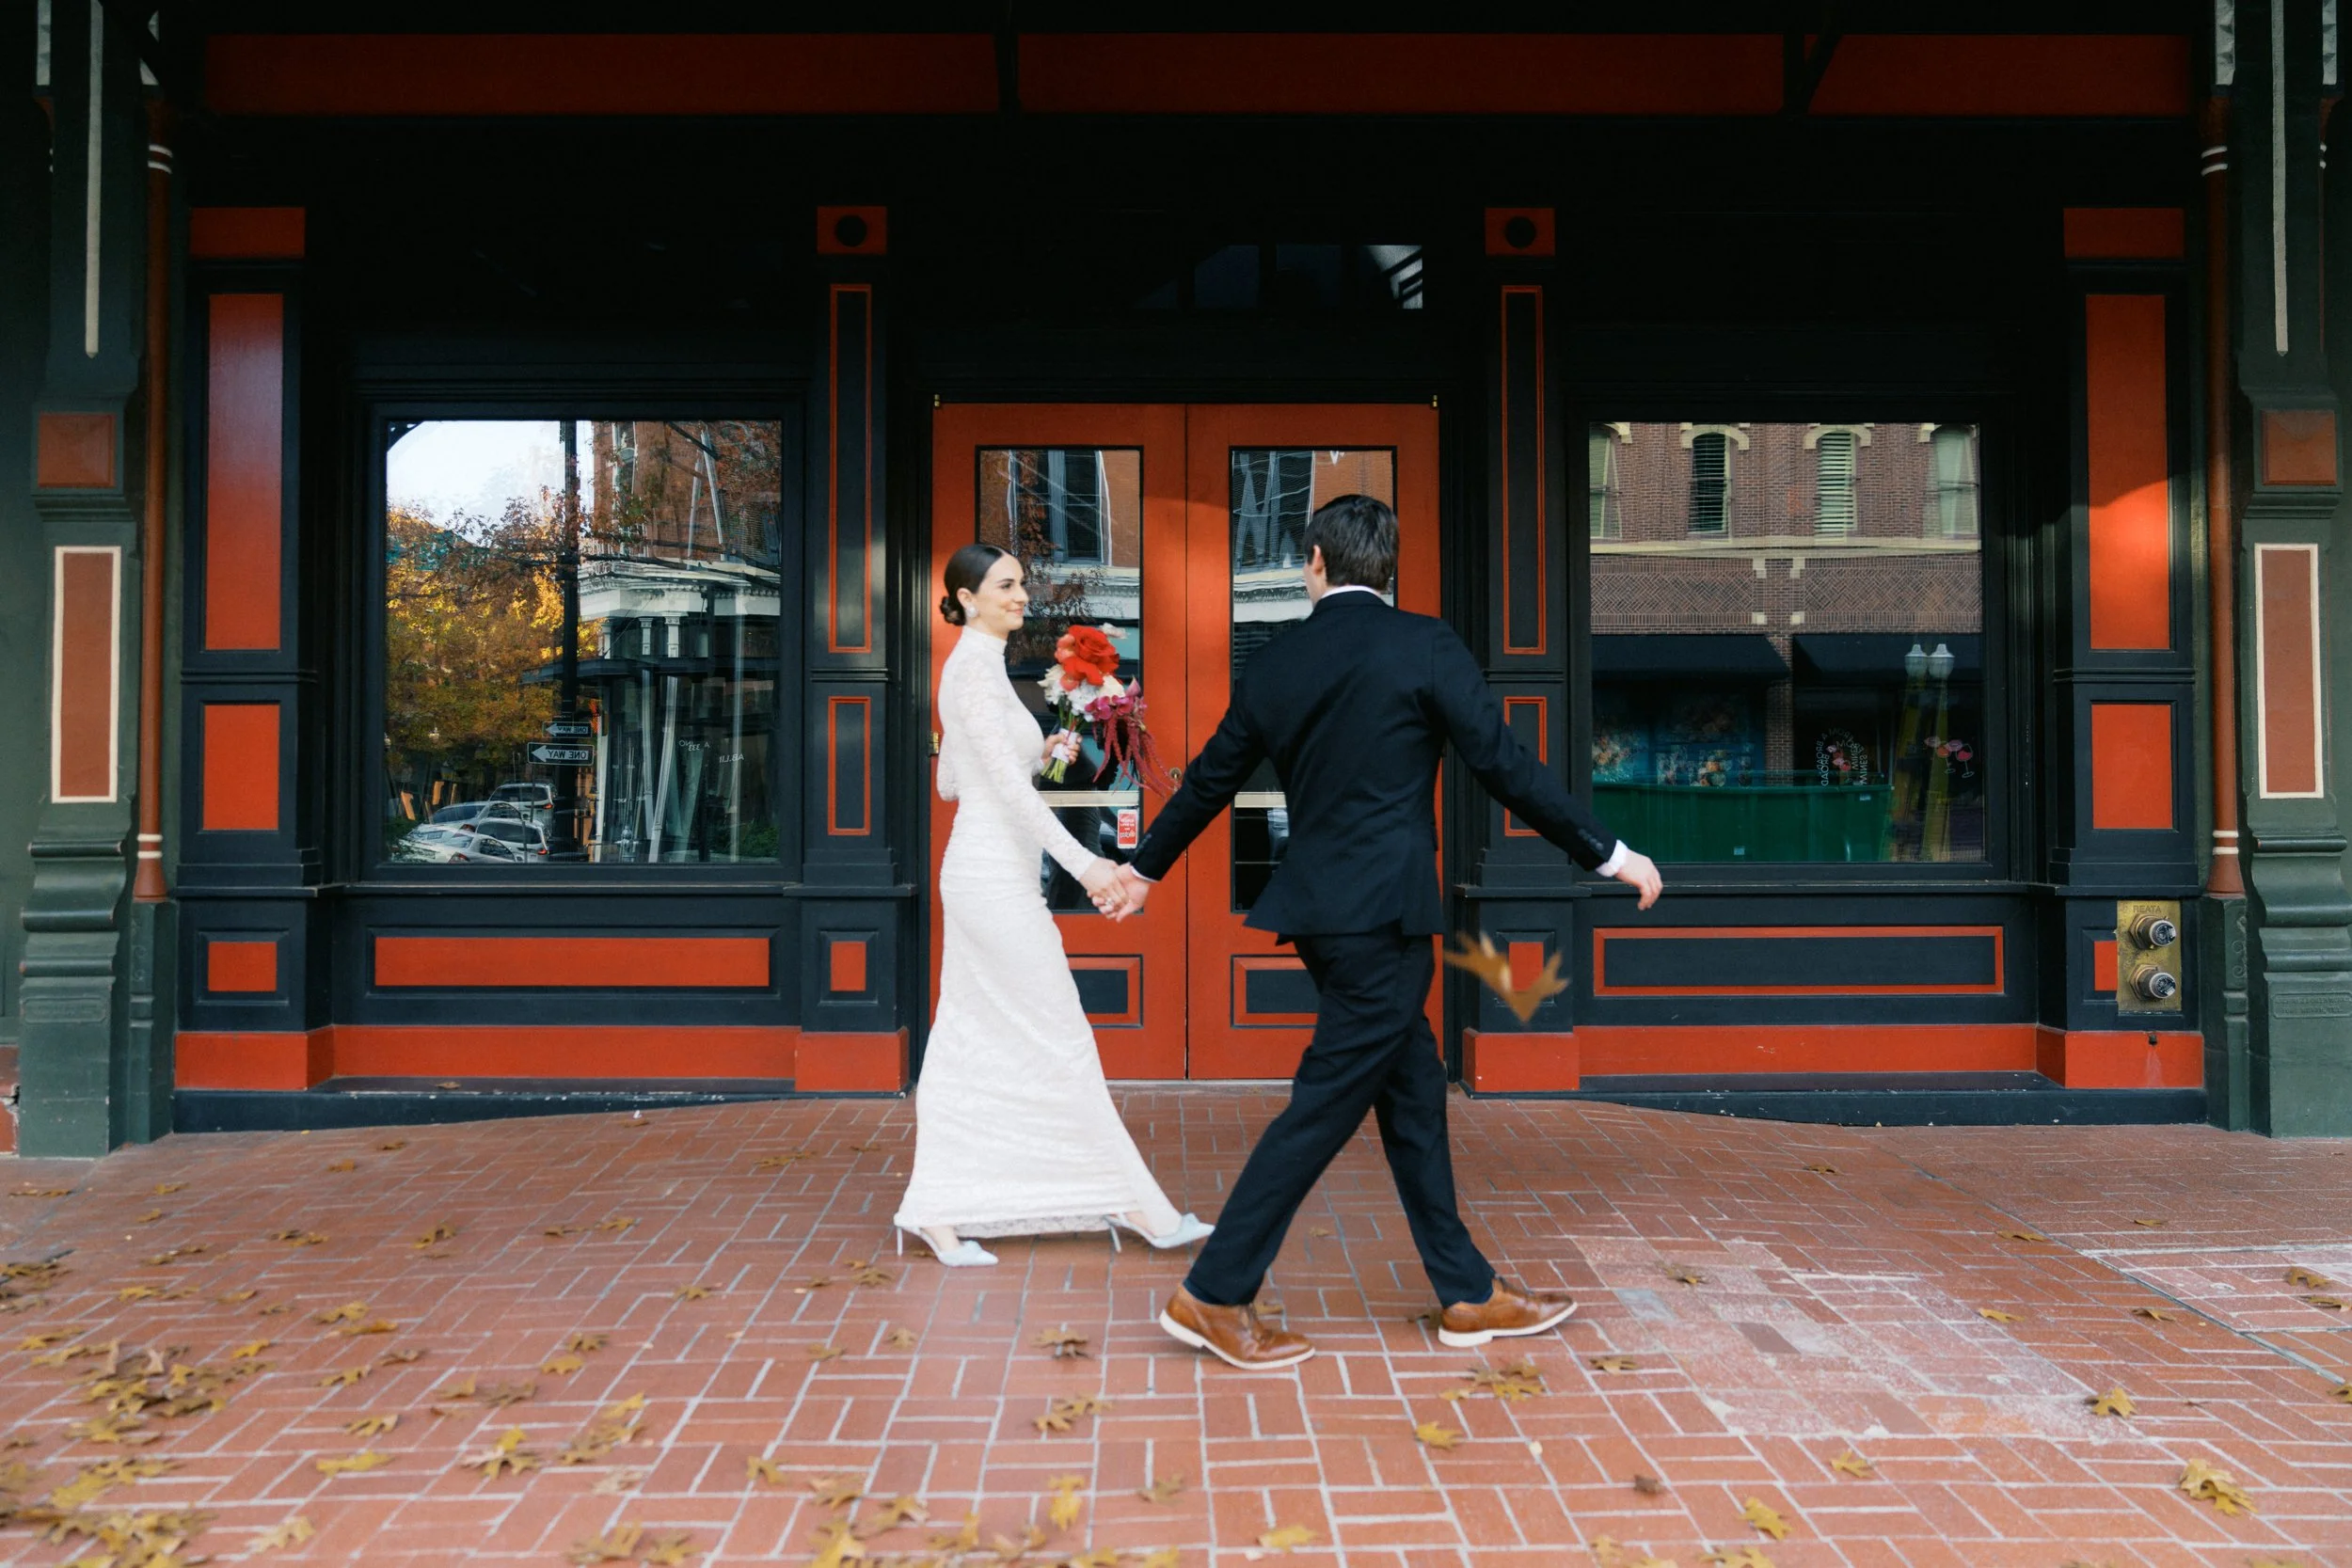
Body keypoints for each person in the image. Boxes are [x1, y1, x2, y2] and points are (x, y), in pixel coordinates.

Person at [1100, 494, 1662, 1369]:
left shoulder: (1277, 661)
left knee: (1411, 1094)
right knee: (1324, 1103)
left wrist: (1143, 871)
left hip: (1320, 915)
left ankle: (1466, 1292)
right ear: (1387, 568)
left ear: (1315, 562)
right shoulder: (1424, 644)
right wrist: (1608, 852)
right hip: (1387, 918)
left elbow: (1210, 780)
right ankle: (1213, 1291)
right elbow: (1504, 766)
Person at [892, 543, 1215, 1266]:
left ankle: (938, 1210)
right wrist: (1089, 864)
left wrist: (1046, 743)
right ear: (966, 598)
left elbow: (951, 781)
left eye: (1022, 584)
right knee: (1058, 1032)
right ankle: (1131, 1203)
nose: (1022, 595)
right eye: (1007, 585)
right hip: (990, 877)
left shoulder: (979, 667)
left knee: (970, 1034)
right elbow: (1003, 793)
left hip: (991, 869)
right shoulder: (971, 669)